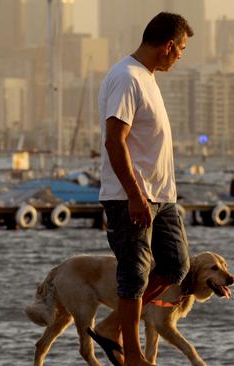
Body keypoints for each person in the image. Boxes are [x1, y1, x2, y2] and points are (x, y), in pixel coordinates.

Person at [87, 12, 194, 366]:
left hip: (162, 197)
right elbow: (114, 141)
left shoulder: (146, 78)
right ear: (167, 46)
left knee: (176, 266)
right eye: (180, 49)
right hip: (131, 197)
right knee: (133, 277)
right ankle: (132, 355)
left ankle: (111, 327)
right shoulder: (126, 77)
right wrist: (134, 194)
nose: (180, 56)